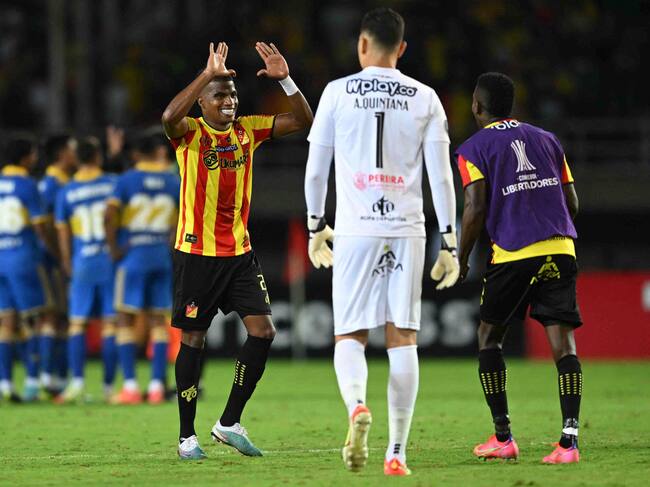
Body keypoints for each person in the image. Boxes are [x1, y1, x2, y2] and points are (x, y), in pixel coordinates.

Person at [304, 8, 459, 476]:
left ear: (362, 45)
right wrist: (448, 239)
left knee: (350, 333)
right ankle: (397, 453)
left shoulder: (336, 92)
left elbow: (316, 171)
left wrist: (315, 225)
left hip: (355, 227)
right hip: (407, 229)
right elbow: (441, 177)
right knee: (403, 337)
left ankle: (356, 407)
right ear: (403, 49)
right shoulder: (425, 97)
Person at [161, 41, 312, 460]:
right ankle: (186, 435)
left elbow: (303, 120)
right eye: (220, 95)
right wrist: (206, 75)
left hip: (239, 254)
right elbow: (169, 117)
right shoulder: (190, 133)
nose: (228, 101)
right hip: (197, 253)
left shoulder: (249, 128)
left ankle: (228, 422)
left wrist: (286, 80)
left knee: (263, 331)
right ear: (204, 102)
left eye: (232, 95)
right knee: (194, 338)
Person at [456, 72, 582, 464]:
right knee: (563, 345)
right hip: (561, 247)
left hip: (513, 253)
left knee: (489, 338)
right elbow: (572, 202)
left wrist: (460, 259)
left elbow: (475, 208)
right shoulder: (548, 140)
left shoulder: (472, 148)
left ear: (477, 106)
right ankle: (569, 443)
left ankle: (504, 437)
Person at [105, 132, 180, 405]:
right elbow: (181, 220)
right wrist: (169, 247)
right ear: (159, 151)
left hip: (132, 258)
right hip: (160, 257)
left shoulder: (127, 180)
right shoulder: (174, 181)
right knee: (159, 322)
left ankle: (131, 387)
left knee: (125, 319)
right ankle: (158, 387)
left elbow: (109, 214)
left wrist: (114, 247)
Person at [54, 137, 118, 403]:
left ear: (78, 159)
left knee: (77, 324)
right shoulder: (112, 185)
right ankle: (108, 388)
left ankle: (77, 382)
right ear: (97, 157)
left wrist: (67, 260)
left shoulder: (66, 191)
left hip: (82, 262)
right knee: (111, 325)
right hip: (109, 261)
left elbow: (63, 231)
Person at [0, 136, 57, 402]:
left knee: (6, 322)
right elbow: (40, 226)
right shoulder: (27, 185)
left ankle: (5, 382)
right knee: (35, 319)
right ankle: (34, 380)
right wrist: (54, 251)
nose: (35, 158)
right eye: (33, 153)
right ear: (25, 157)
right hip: (22, 258)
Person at [39, 134, 79, 393]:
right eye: (72, 149)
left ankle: (58, 376)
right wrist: (59, 254)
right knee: (53, 315)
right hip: (52, 260)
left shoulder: (63, 181)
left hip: (60, 258)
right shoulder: (53, 183)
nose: (75, 154)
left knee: (63, 317)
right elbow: (45, 223)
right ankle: (45, 375)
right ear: (62, 153)